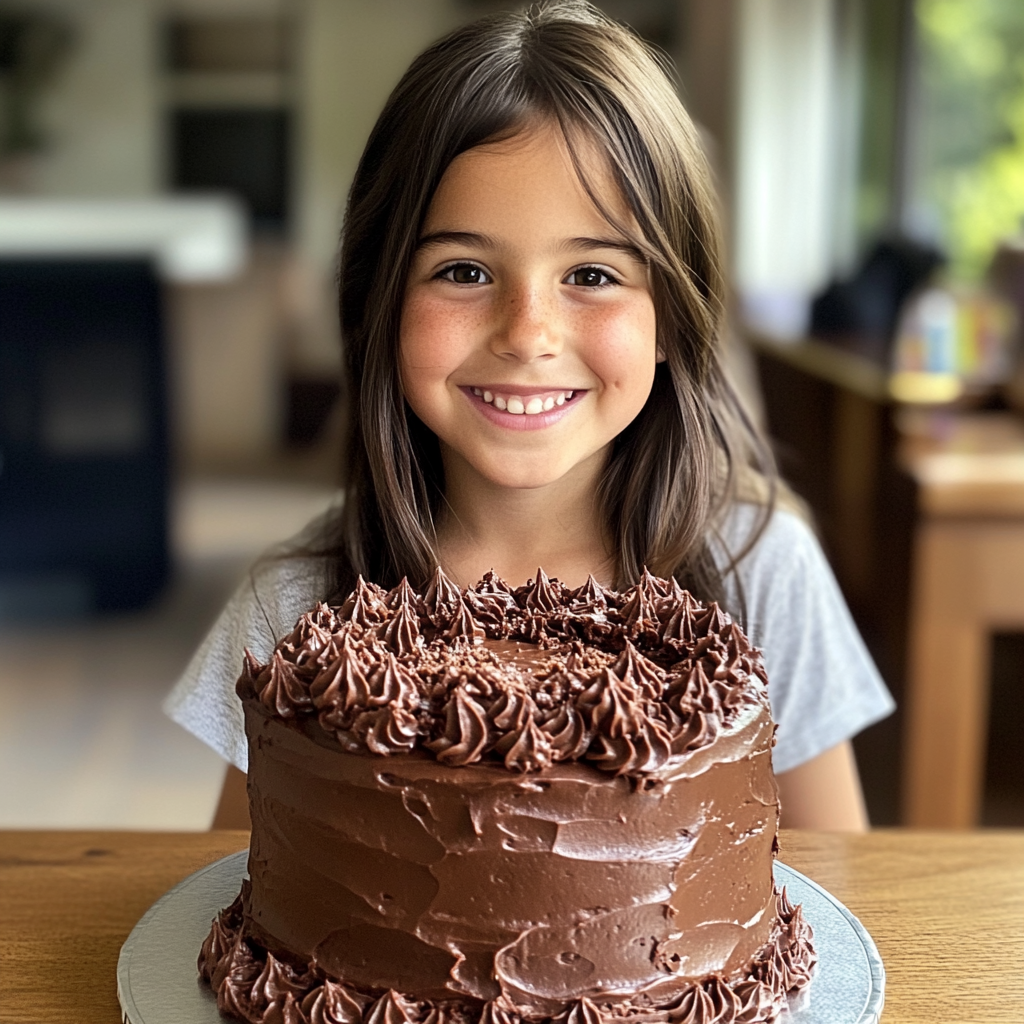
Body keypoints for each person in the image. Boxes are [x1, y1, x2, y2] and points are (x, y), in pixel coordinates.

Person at [164, 0, 893, 832]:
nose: (528, 334)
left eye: (591, 275)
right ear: (379, 300)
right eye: (465, 271)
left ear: (673, 319)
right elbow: (241, 894)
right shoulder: (294, 603)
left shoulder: (761, 571)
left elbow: (840, 884)